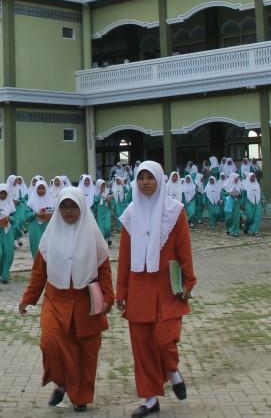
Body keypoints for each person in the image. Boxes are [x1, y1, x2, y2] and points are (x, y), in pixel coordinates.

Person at [19, 187, 113, 413]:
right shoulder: (50, 235)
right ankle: (62, 382)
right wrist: (28, 298)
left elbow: (104, 269)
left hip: (86, 299)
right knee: (50, 342)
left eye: (73, 207)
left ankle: (80, 396)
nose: (69, 211)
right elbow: (39, 272)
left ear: (81, 207)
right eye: (64, 207)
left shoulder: (92, 234)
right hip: (56, 298)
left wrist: (109, 297)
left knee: (85, 351)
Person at [116, 161, 196, 416]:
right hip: (138, 288)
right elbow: (125, 256)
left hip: (166, 288)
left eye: (150, 178)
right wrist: (121, 291)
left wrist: (189, 281)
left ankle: (171, 370)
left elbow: (184, 249)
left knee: (164, 340)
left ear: (160, 180)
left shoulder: (175, 212)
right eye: (141, 178)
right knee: (141, 345)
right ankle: (150, 399)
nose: (145, 182)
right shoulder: (130, 214)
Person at [27, 178, 56, 259]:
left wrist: (49, 214)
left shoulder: (51, 200)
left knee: (48, 248)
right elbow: (27, 216)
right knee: (37, 248)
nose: (41, 190)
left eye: (43, 188)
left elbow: (56, 214)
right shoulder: (31, 202)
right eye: (39, 188)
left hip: (48, 226)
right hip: (35, 227)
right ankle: (37, 269)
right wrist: (35, 214)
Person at [222, 172, 243, 237]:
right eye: (236, 178)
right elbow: (222, 194)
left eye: (238, 178)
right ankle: (229, 228)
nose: (237, 179)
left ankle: (235, 231)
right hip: (229, 203)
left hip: (237, 203)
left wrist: (239, 194)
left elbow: (242, 194)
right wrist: (230, 193)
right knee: (229, 218)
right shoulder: (225, 185)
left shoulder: (240, 184)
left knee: (236, 217)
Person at [96, 179, 114, 246]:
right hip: (100, 213)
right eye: (101, 186)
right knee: (101, 229)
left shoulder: (108, 193)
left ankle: (109, 236)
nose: (103, 187)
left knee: (107, 227)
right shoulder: (96, 193)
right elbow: (95, 201)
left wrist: (109, 201)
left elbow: (111, 204)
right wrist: (100, 193)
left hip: (106, 212)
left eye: (104, 185)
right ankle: (104, 242)